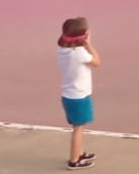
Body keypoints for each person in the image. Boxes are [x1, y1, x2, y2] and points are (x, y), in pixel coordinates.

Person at [57, 17, 99, 170]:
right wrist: (89, 45)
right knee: (79, 128)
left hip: (69, 95)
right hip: (79, 96)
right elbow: (97, 61)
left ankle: (79, 153)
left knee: (79, 126)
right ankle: (74, 160)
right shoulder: (80, 53)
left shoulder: (63, 50)